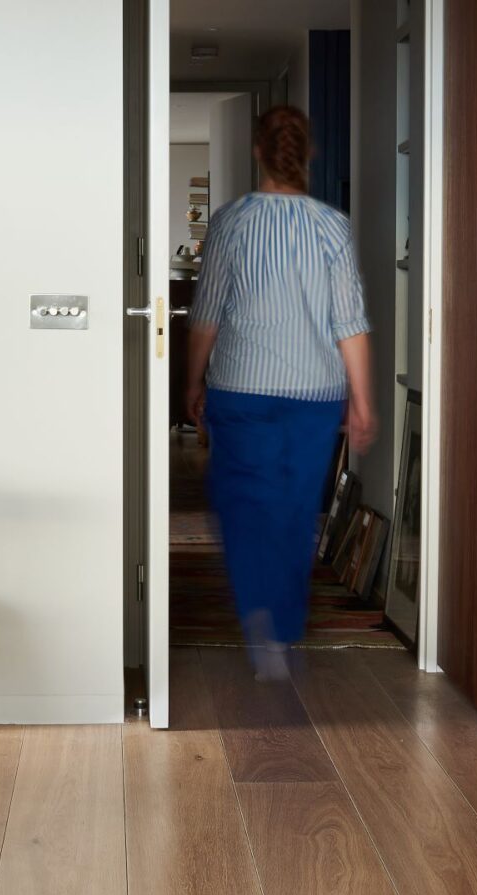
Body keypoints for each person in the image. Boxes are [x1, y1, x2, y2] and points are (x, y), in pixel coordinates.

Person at [184, 104, 376, 679]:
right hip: (315, 394)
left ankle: (259, 619)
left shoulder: (230, 223)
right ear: (307, 155)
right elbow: (351, 322)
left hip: (241, 390)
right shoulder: (331, 227)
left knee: (244, 505)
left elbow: (207, 316)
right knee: (295, 511)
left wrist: (191, 382)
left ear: (257, 153)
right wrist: (363, 399)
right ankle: (286, 628)